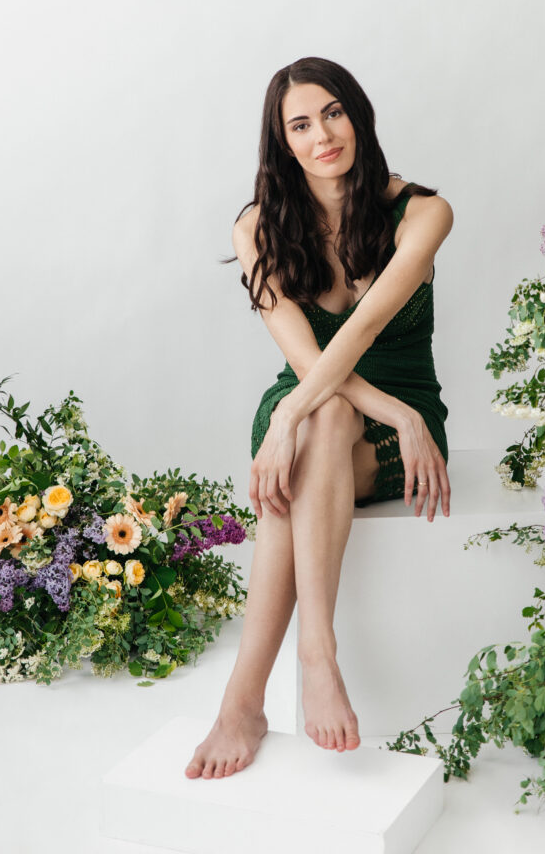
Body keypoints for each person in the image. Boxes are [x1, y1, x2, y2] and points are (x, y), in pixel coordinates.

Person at [184, 55, 453, 781]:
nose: (322, 135)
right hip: (315, 407)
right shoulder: (257, 227)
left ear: (357, 116)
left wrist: (399, 416)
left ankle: (243, 703)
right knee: (321, 414)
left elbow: (361, 333)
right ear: (282, 142)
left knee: (316, 422)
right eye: (300, 125)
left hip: (394, 421)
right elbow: (308, 363)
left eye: (332, 113)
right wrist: (286, 420)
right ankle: (316, 654)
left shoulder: (422, 211)